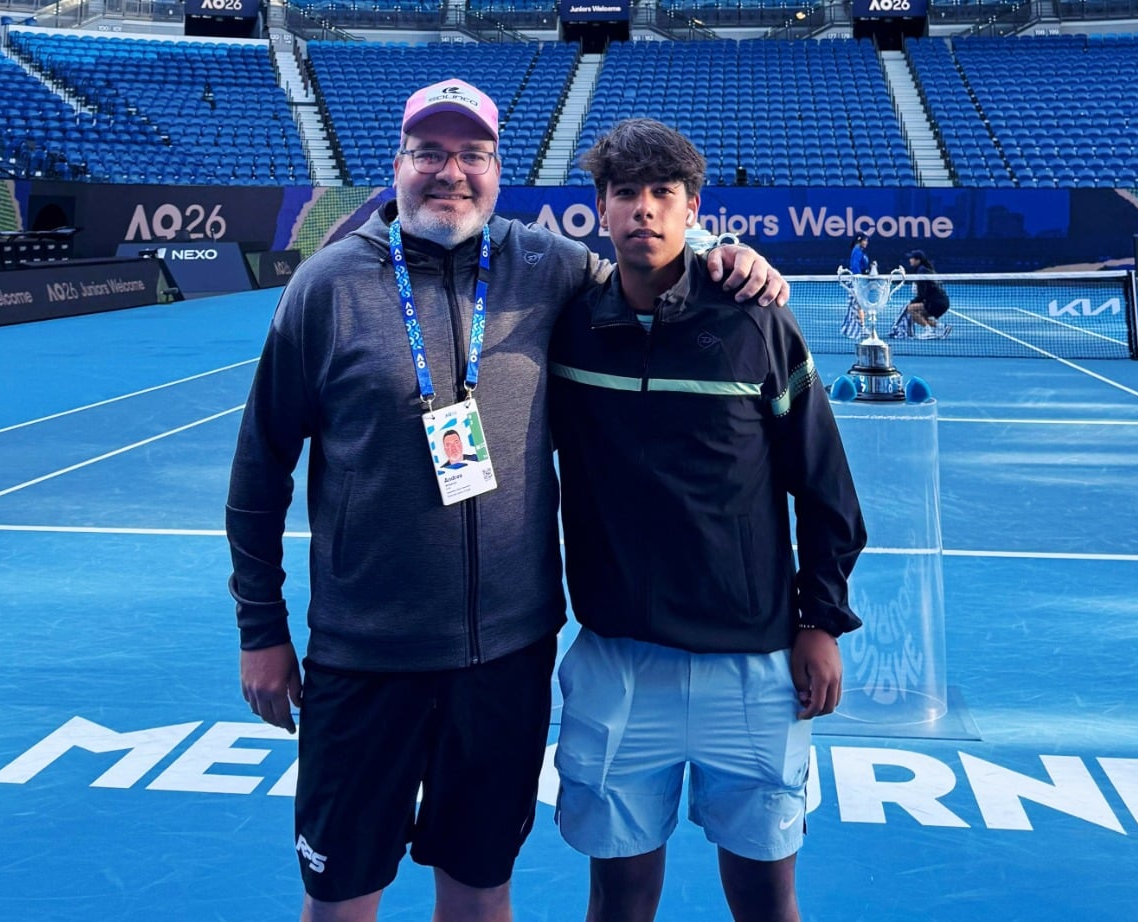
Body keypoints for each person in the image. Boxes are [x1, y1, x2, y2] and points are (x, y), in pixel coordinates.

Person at [226, 80, 789, 922]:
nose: (450, 173)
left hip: (507, 659)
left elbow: (649, 257)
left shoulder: (547, 267)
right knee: (340, 898)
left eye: (472, 156)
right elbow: (259, 470)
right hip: (364, 656)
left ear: (498, 172)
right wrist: (262, 632)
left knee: (482, 889)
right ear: (398, 166)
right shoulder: (326, 287)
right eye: (430, 154)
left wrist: (717, 245)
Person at [547, 118, 867, 922]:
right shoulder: (568, 326)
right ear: (600, 208)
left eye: (664, 195)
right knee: (618, 898)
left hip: (754, 668)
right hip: (617, 661)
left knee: (765, 898)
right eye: (627, 194)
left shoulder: (756, 321)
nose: (644, 212)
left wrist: (821, 622)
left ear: (694, 209)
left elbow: (825, 488)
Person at [900, 248, 950, 339]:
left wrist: (912, 302)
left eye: (912, 258)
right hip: (942, 302)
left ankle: (929, 331)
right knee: (919, 316)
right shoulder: (924, 269)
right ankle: (942, 327)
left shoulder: (922, 271)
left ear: (918, 260)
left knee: (911, 309)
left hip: (937, 302)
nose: (910, 260)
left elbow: (922, 295)